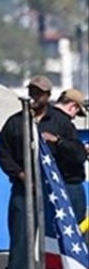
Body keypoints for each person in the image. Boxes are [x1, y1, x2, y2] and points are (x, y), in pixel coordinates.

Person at [0, 75, 58, 269]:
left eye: (39, 93)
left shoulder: (59, 122)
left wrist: (58, 142)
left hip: (53, 193)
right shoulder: (14, 123)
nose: (34, 96)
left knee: (56, 243)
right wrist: (21, 175)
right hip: (23, 192)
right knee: (21, 242)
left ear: (48, 96)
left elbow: (74, 154)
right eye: (32, 91)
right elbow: (3, 154)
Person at [50, 88, 88, 222]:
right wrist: (83, 150)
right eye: (76, 113)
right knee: (76, 229)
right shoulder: (65, 124)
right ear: (73, 106)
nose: (74, 117)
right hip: (70, 185)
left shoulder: (44, 118)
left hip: (49, 185)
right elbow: (77, 156)